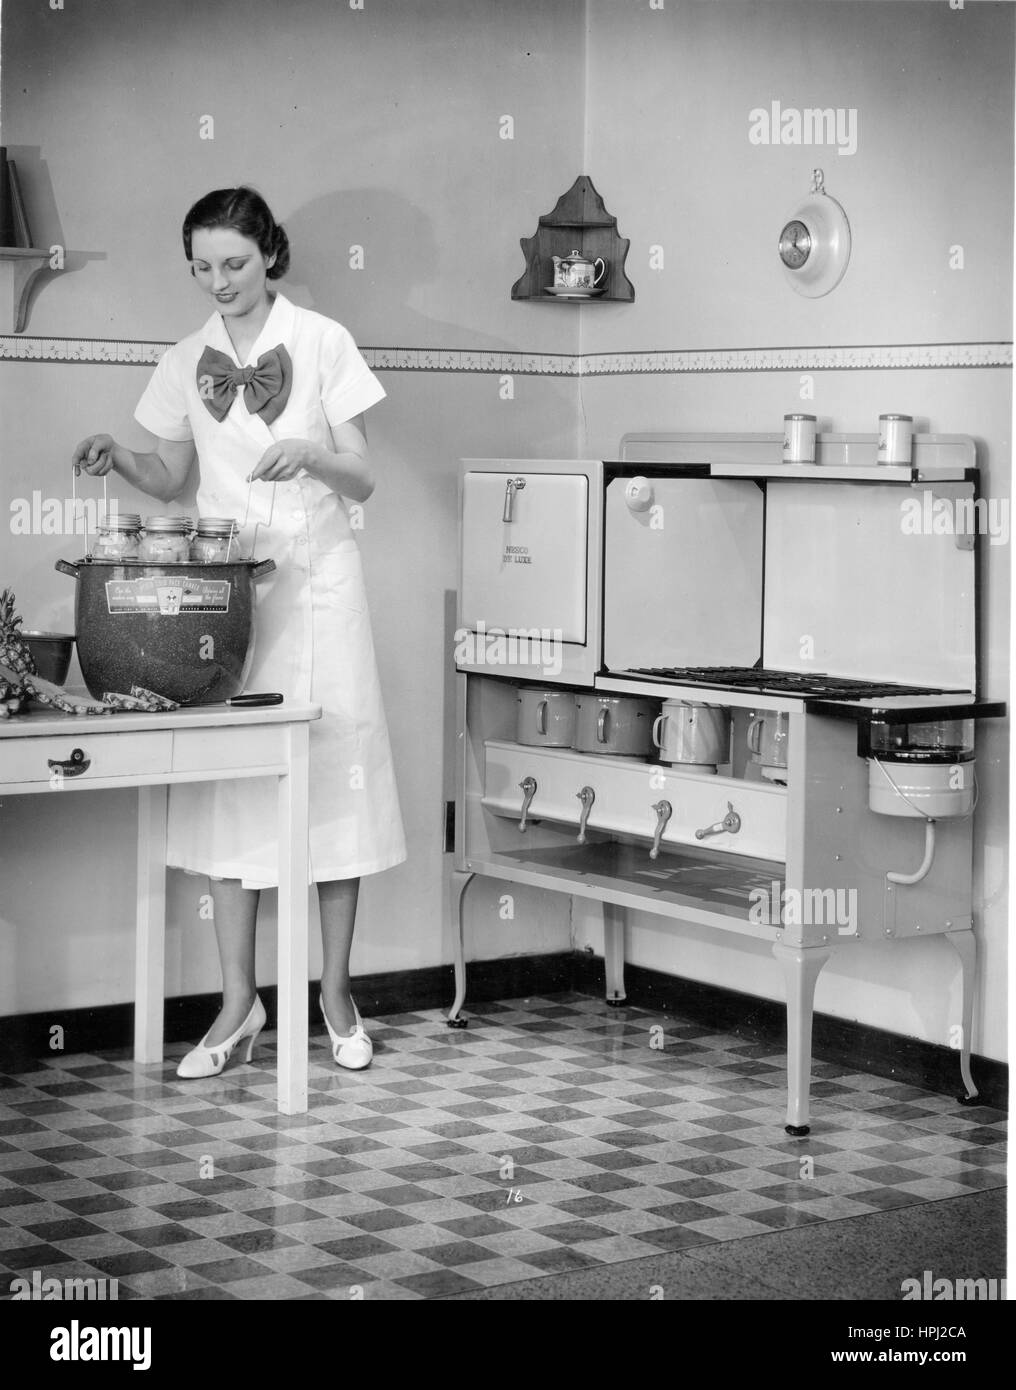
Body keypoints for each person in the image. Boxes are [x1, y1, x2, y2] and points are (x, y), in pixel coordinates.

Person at [72, 187, 406, 1077]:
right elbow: (172, 474)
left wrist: (312, 454)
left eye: (234, 263)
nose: (219, 281)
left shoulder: (325, 340)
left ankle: (334, 994)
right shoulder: (186, 359)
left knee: (335, 780)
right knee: (232, 792)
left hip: (321, 583)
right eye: (203, 267)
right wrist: (121, 456)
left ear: (270, 256)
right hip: (225, 599)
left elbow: (364, 477)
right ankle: (238, 1003)